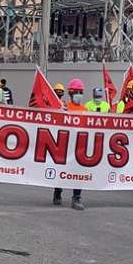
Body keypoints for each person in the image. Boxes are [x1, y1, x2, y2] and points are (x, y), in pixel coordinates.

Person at [53, 78, 87, 210]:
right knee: (62, 170)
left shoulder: (85, 110)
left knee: (79, 172)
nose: (79, 94)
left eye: (81, 92)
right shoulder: (65, 108)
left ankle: (77, 197)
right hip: (65, 145)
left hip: (79, 146)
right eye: (76, 92)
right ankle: (57, 192)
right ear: (71, 93)